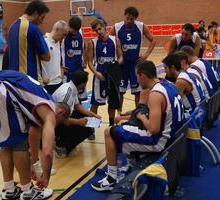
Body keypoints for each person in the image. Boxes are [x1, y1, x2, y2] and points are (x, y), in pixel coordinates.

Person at [0, 70, 70, 200]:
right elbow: (47, 151)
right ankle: (27, 191)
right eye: (61, 122)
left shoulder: (39, 106)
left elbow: (33, 136)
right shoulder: (50, 113)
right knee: (18, 142)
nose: (57, 125)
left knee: (7, 143)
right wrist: (46, 177)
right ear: (61, 111)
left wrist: (33, 165)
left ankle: (9, 190)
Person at [91, 61, 184, 191]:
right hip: (173, 135)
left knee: (109, 131)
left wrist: (141, 117)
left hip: (159, 141)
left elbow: (153, 129)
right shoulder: (167, 84)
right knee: (126, 126)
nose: (136, 80)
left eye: (137, 76)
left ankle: (112, 178)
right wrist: (134, 115)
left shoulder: (155, 94)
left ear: (143, 75)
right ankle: (131, 163)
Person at [109, 6, 156, 107]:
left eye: (132, 19)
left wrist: (146, 54)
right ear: (124, 15)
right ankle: (119, 114)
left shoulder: (141, 26)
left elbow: (153, 40)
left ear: (135, 19)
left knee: (137, 92)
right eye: (127, 18)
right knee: (120, 92)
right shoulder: (116, 27)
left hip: (136, 65)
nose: (129, 21)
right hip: (122, 65)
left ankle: (137, 113)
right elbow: (109, 42)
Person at [52, 71, 101, 157]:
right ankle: (60, 146)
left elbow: (78, 106)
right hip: (55, 122)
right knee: (86, 129)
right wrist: (78, 122)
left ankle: (63, 140)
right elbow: (61, 118)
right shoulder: (66, 95)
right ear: (82, 84)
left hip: (61, 118)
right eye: (86, 82)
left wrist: (93, 115)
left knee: (84, 119)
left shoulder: (71, 87)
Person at [87, 18, 123, 128]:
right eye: (96, 30)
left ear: (104, 27)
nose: (98, 32)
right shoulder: (92, 43)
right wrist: (96, 73)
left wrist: (116, 64)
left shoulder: (115, 40)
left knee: (112, 103)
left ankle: (112, 125)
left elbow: (121, 57)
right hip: (100, 76)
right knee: (95, 103)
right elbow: (89, 62)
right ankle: (91, 129)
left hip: (112, 77)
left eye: (99, 29)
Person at [8, 0, 50, 84]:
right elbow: (47, 57)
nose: (42, 21)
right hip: (30, 80)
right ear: (35, 13)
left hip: (13, 78)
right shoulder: (33, 28)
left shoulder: (12, 27)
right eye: (42, 17)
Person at [61, 16, 87, 101]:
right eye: (73, 30)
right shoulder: (63, 34)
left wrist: (85, 61)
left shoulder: (80, 32)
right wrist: (60, 65)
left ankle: (80, 114)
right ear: (69, 27)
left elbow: (85, 48)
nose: (74, 32)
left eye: (76, 30)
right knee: (68, 97)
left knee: (80, 97)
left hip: (79, 69)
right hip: (67, 71)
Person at [41, 20, 69, 94]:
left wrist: (61, 69)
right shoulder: (44, 41)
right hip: (47, 84)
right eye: (64, 34)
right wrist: (41, 77)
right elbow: (35, 61)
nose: (64, 37)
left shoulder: (57, 42)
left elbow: (55, 59)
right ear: (57, 30)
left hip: (59, 82)